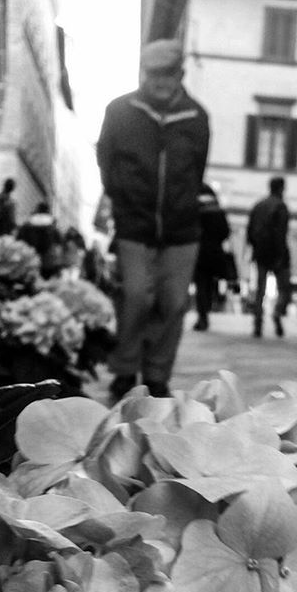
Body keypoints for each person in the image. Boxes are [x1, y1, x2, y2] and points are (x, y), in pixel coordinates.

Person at [96, 38, 209, 400]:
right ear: (144, 74)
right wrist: (122, 199)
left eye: (169, 74)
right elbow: (106, 161)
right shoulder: (120, 111)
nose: (161, 81)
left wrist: (185, 201)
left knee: (173, 303)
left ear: (180, 75)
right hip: (134, 223)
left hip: (181, 228)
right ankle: (126, 369)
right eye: (154, 74)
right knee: (135, 297)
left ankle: (158, 373)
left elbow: (198, 166)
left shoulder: (196, 117)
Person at [247, 176, 291, 338]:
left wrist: (255, 247)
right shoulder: (281, 207)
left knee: (260, 289)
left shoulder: (258, 206)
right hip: (277, 252)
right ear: (281, 188)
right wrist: (280, 254)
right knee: (284, 288)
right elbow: (281, 232)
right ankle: (277, 313)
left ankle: (258, 322)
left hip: (260, 252)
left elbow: (250, 231)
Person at [192, 183, 230, 331]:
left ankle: (202, 315)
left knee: (201, 284)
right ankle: (206, 311)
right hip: (214, 252)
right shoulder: (217, 210)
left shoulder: (196, 209)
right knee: (209, 283)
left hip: (199, 252)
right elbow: (225, 232)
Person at [17, 201, 64, 277]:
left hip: (30, 258)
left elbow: (19, 238)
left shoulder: (28, 223)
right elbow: (59, 242)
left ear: (37, 210)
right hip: (47, 260)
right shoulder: (52, 225)